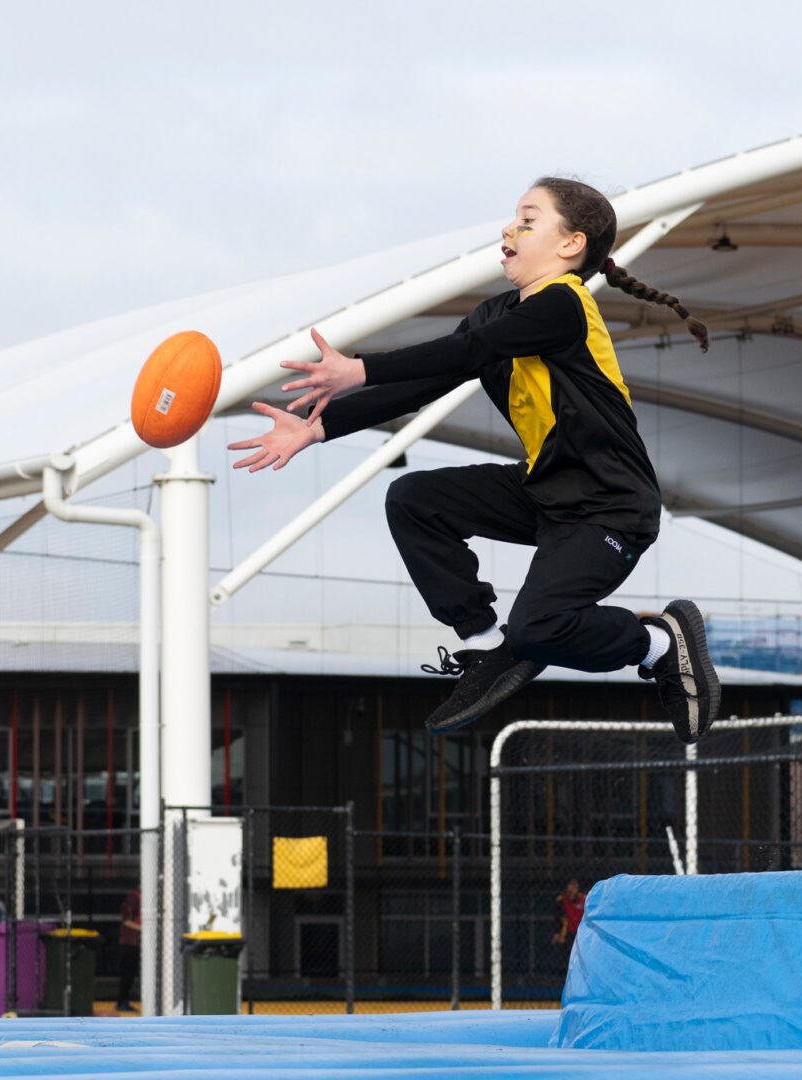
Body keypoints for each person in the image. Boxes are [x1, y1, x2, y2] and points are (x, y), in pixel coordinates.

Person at [228, 178, 719, 743]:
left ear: (571, 244)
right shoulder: (494, 314)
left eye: (528, 220)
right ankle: (484, 644)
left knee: (539, 630)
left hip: (611, 505)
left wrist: (360, 369)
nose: (509, 228)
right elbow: (429, 381)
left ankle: (659, 643)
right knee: (415, 499)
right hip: (544, 490)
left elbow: (468, 351)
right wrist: (318, 427)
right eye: (513, 218)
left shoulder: (564, 305)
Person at [115, 886, 141, 1012]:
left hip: (134, 942)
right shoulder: (133, 900)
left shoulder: (137, 899)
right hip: (129, 942)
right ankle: (122, 1002)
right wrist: (143, 928)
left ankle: (123, 1001)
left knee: (130, 974)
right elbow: (126, 921)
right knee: (127, 974)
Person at [552, 878, 587, 949]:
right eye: (571, 885)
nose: (572, 888)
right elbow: (556, 918)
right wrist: (557, 933)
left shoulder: (583, 899)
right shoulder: (561, 900)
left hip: (582, 932)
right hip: (568, 933)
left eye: (574, 886)